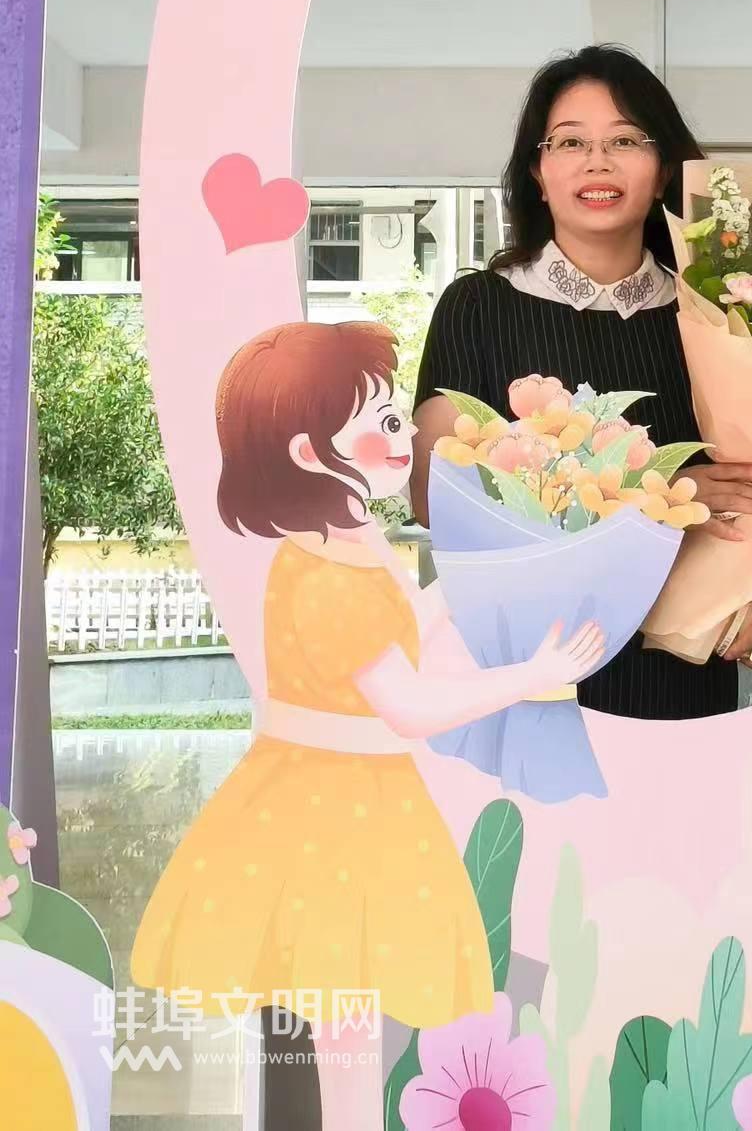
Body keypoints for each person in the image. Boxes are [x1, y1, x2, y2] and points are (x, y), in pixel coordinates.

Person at [132, 321, 602, 1130]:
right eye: (378, 422)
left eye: (393, 417)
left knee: (350, 1018)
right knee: (344, 1016)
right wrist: (531, 675)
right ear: (308, 453)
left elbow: (399, 631)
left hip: (353, 795)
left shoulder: (346, 540)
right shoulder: (325, 572)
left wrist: (477, 576)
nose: (402, 437)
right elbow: (408, 705)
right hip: (331, 812)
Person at [412, 45, 752, 718]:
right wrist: (660, 499)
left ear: (662, 172)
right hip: (527, 667)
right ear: (538, 173)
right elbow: (437, 498)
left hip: (683, 667)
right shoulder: (478, 306)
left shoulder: (717, 314)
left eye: (625, 140)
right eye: (570, 141)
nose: (597, 162)